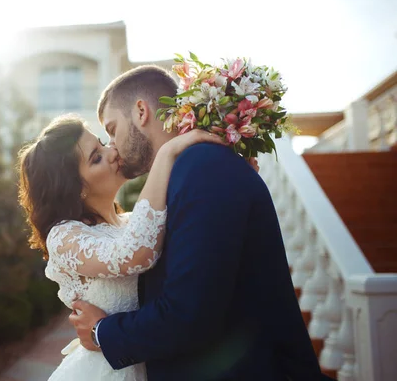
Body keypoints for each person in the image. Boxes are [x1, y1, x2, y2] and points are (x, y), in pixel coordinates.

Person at [68, 65, 327, 380]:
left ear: (140, 112)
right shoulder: (189, 172)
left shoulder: (203, 169)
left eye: (112, 129)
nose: (112, 147)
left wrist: (101, 331)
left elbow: (189, 316)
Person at [17, 112, 230, 380]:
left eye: (102, 144)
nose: (112, 152)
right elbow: (137, 254)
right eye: (96, 158)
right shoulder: (64, 237)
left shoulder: (131, 222)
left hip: (157, 362)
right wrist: (166, 153)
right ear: (75, 188)